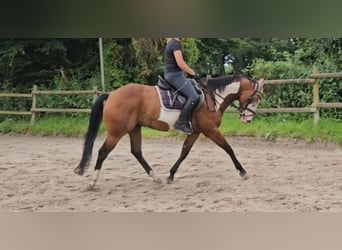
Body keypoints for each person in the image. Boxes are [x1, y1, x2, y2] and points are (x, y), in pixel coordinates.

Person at [164, 38, 200, 134]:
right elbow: (180, 63)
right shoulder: (175, 44)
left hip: (171, 74)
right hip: (175, 75)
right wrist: (193, 74)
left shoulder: (170, 42)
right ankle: (181, 123)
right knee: (194, 97)